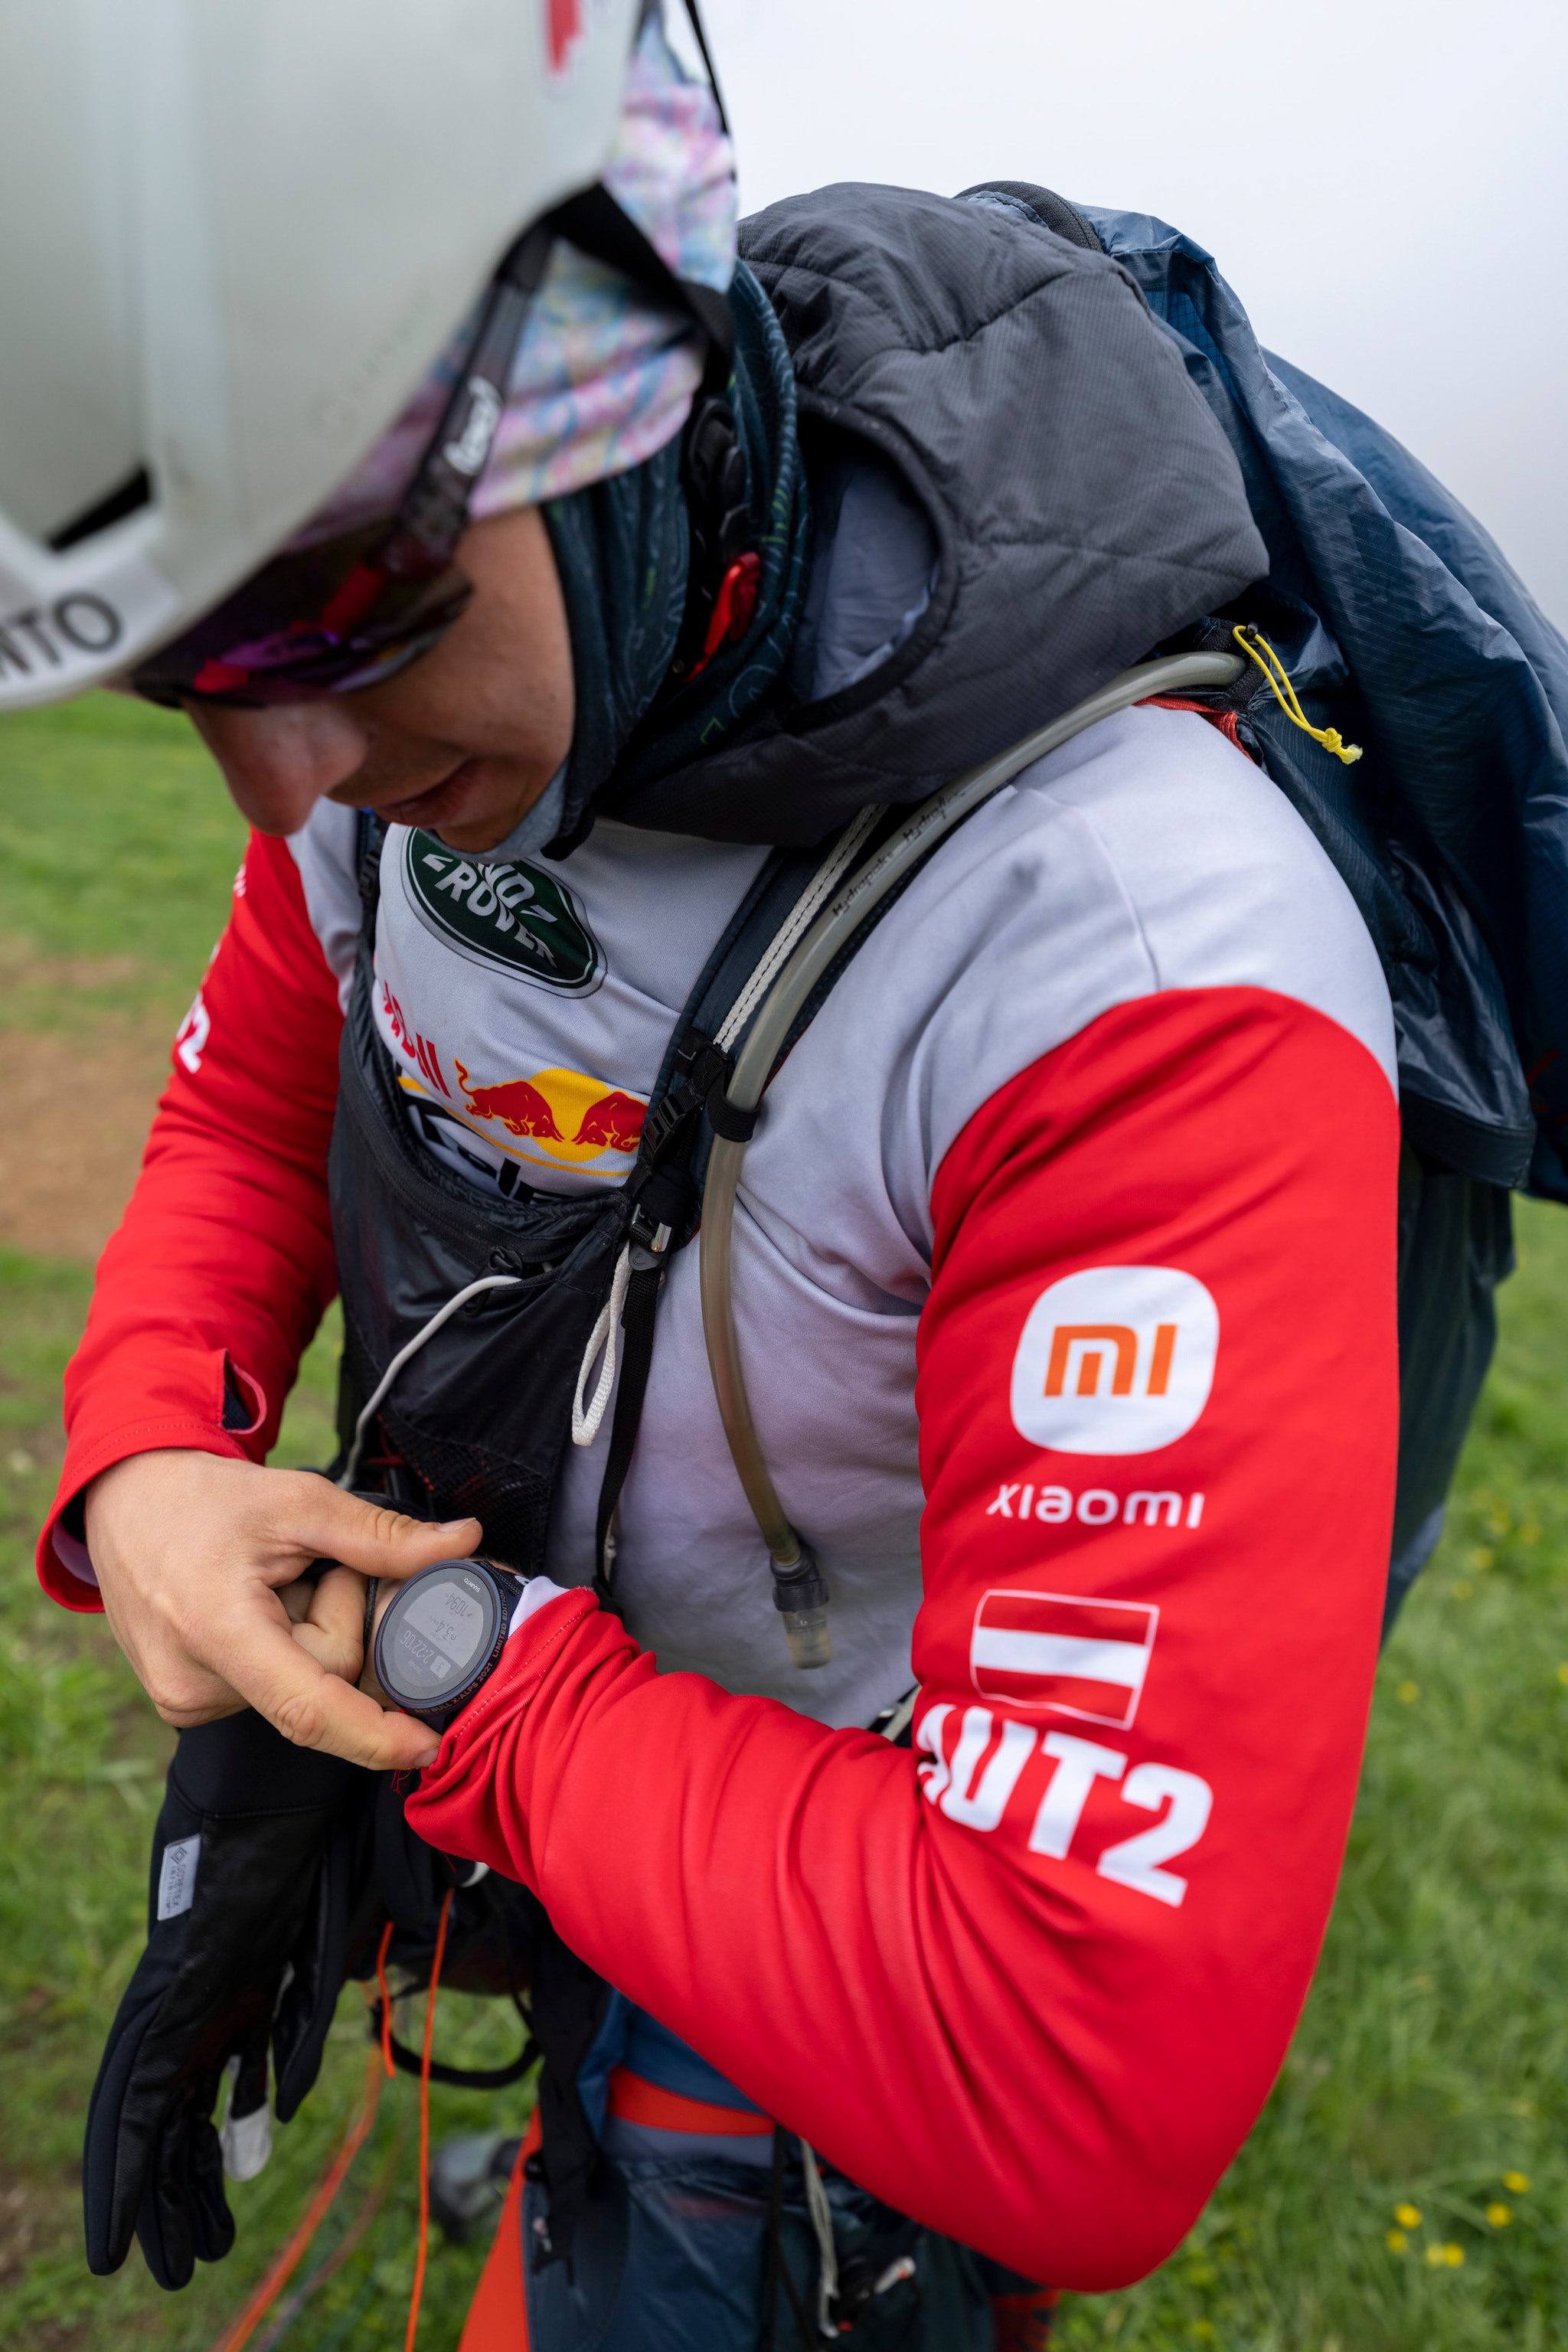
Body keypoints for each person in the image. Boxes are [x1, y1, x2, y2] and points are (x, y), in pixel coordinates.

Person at [18, 5, 1470, 2344]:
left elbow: (1067, 2061)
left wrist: (435, 1660)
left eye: (322, 609)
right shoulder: (386, 769)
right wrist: (152, 1464)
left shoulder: (1128, 947)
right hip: (566, 1756)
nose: (283, 781)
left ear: (628, 375)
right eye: (177, 670)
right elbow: (245, 1110)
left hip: (845, 1897)